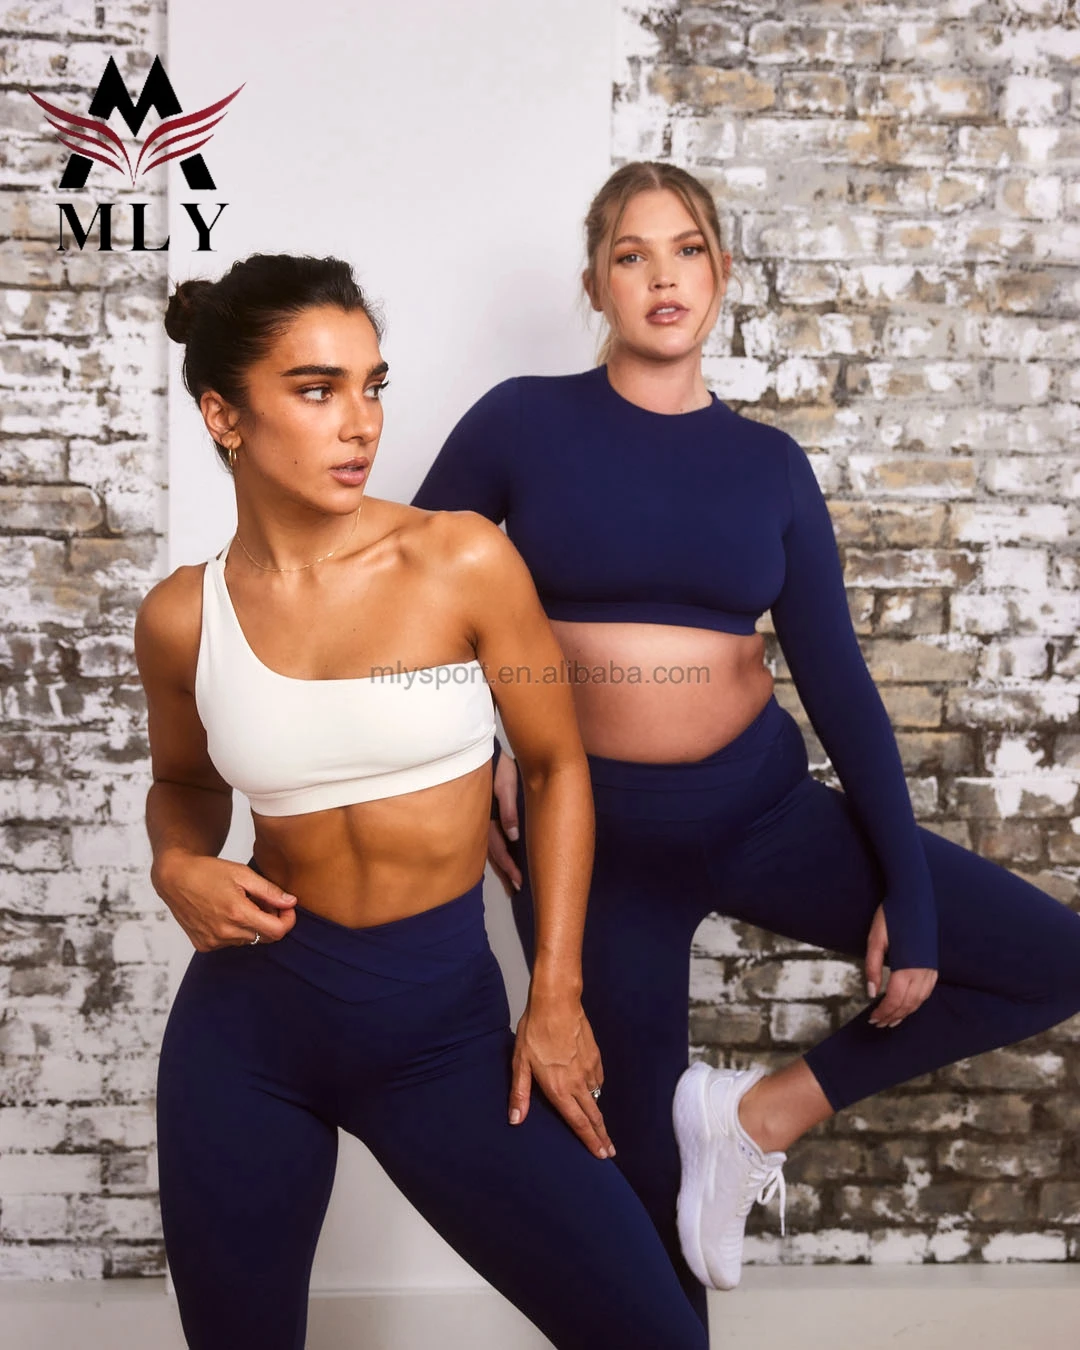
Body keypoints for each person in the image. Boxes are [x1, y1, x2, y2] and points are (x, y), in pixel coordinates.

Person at [412, 161, 1080, 1322]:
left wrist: (910, 890)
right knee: (636, 1186)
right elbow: (407, 600)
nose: (662, 276)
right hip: (591, 848)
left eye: (687, 250)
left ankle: (756, 1117)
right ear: (596, 283)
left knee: (1051, 957)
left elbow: (839, 683)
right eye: (631, 255)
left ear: (721, 272)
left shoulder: (769, 464)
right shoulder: (522, 421)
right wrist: (482, 753)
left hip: (760, 812)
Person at [135, 252, 708, 1350]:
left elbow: (556, 766)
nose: (360, 423)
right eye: (317, 390)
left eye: (372, 385)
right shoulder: (180, 617)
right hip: (249, 1032)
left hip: (443, 1034)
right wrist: (177, 863)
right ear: (224, 415)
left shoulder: (461, 560)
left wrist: (555, 993)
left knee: (652, 1335)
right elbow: (185, 784)